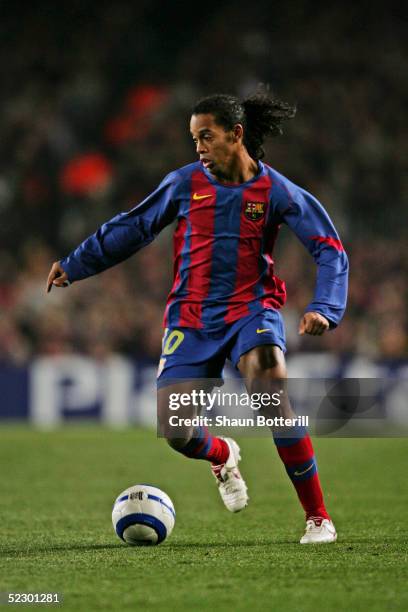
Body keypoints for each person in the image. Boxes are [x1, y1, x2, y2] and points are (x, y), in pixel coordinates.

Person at [47, 92, 348, 544]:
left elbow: (329, 247)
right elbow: (134, 226)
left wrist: (324, 307)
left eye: (206, 136)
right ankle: (222, 453)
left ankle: (318, 517)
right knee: (176, 431)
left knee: (271, 390)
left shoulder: (276, 190)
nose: (199, 147)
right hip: (190, 318)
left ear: (236, 134)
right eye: (194, 139)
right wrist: (77, 263)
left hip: (252, 310)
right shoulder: (183, 183)